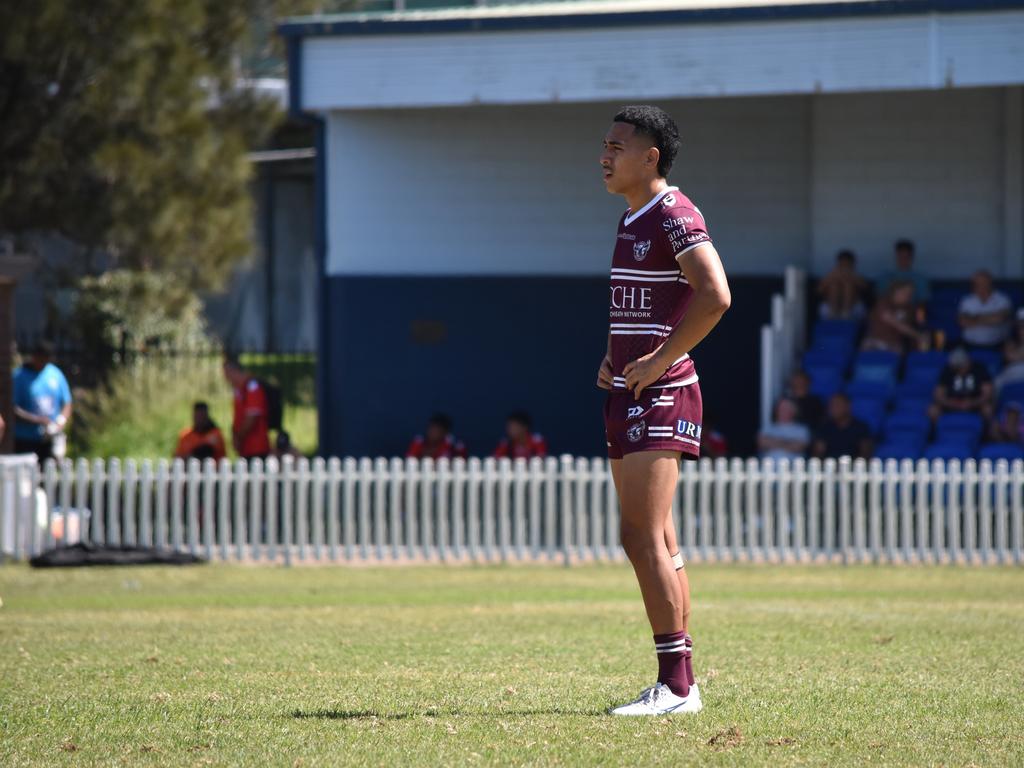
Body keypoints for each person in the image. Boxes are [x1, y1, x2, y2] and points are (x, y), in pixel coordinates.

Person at [596, 105, 730, 715]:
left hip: (664, 390)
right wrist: (613, 354)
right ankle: (680, 683)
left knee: (640, 534)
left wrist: (657, 362)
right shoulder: (631, 218)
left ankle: (678, 688)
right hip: (627, 392)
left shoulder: (675, 213)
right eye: (604, 144)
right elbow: (643, 303)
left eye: (617, 146)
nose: (605, 155)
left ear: (650, 156)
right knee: (655, 539)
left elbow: (715, 296)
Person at [13, 340, 72, 462]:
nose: (43, 363)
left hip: (49, 438)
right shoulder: (19, 376)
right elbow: (12, 409)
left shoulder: (55, 373)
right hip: (25, 439)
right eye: (41, 359)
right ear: (34, 356)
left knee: (48, 474)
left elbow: (67, 402)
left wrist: (60, 421)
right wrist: (38, 420)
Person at [222, 355, 271, 460]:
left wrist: (238, 437)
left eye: (226, 373)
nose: (225, 377)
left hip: (257, 447)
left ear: (233, 371)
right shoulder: (239, 390)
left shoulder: (252, 388)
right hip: (245, 447)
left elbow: (251, 418)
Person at [929, 346, 994, 422]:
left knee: (988, 410)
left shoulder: (979, 369)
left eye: (961, 366)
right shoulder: (948, 370)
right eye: (957, 367)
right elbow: (938, 394)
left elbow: (987, 393)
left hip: (974, 402)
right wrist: (950, 402)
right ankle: (938, 432)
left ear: (967, 361)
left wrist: (972, 402)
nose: (960, 370)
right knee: (932, 410)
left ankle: (984, 432)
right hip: (952, 402)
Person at [861, 280, 928, 353]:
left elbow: (916, 323)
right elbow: (897, 324)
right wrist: (918, 335)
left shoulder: (909, 308)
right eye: (904, 292)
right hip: (875, 341)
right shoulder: (883, 303)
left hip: (894, 344)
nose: (908, 296)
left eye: (910, 293)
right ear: (895, 292)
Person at [958, 270, 1013, 349]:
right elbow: (963, 322)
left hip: (997, 345)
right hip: (969, 344)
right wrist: (990, 317)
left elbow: (999, 319)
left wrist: (973, 318)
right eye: (977, 283)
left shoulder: (1002, 299)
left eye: (984, 282)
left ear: (990, 282)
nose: (981, 285)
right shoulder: (967, 300)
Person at [812, 393, 873, 459]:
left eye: (837, 405)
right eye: (832, 406)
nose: (834, 409)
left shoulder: (861, 427)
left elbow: (865, 453)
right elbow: (818, 453)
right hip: (830, 466)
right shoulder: (824, 427)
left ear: (848, 406)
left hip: (854, 466)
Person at [875, 239, 930, 306]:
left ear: (912, 257)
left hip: (910, 311)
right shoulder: (885, 277)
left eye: (906, 257)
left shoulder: (920, 278)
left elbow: (922, 303)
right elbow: (880, 299)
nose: (903, 260)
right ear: (896, 256)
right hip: (889, 311)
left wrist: (918, 316)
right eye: (901, 257)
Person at [817, 250, 867, 320]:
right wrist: (832, 278)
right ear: (838, 264)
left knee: (848, 285)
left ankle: (845, 313)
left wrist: (851, 277)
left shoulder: (856, 276)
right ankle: (833, 313)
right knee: (834, 285)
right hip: (830, 311)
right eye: (842, 264)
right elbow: (819, 291)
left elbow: (866, 290)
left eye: (847, 264)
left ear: (852, 264)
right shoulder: (831, 275)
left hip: (853, 311)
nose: (845, 267)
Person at [994, 308, 1024, 394]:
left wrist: (1019, 354)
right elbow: (1010, 357)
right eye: (1021, 324)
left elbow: (1016, 356)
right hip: (1012, 370)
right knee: (997, 382)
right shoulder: (1011, 341)